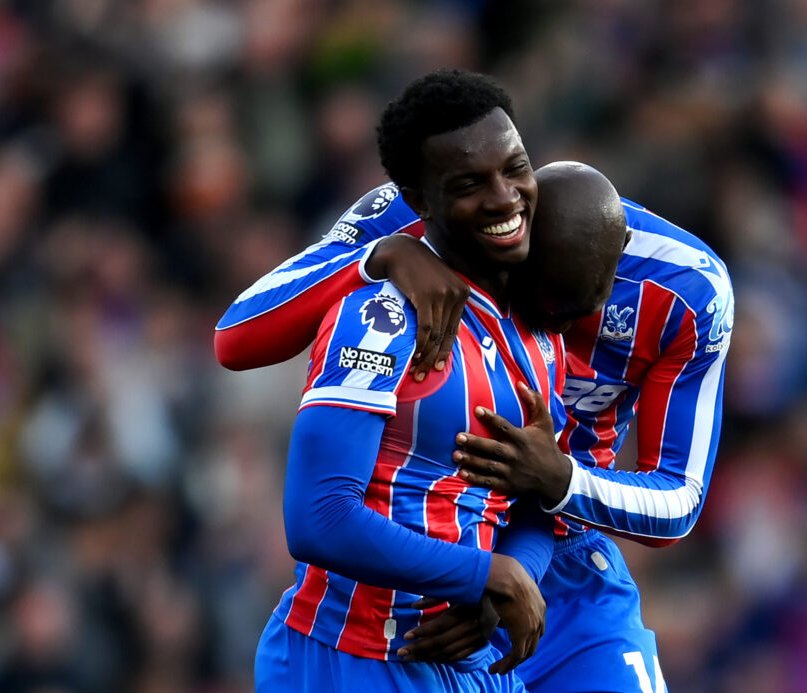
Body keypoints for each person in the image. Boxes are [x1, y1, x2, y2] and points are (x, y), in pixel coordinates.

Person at [219, 83, 733, 693]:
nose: (559, 333)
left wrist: (557, 484)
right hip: (394, 603)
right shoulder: (405, 248)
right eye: (537, 304)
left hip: (550, 555)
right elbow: (236, 339)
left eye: (578, 314)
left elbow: (679, 502)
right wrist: (379, 255)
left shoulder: (686, 294)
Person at [243, 69, 590, 692]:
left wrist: (511, 574)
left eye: (515, 168)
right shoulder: (380, 318)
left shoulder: (541, 331)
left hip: (470, 661)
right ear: (419, 200)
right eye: (468, 184)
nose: (505, 197)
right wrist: (482, 576)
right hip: (349, 661)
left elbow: (535, 500)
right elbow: (318, 516)